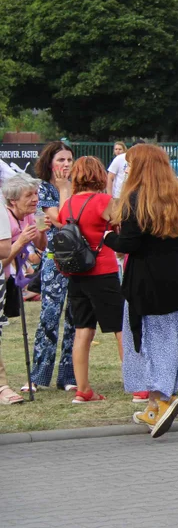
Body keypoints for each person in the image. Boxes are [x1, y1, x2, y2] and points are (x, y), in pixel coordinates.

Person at [103, 144, 178, 439]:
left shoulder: (135, 199)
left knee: (150, 340)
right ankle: (155, 405)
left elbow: (129, 244)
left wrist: (108, 236)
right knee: (175, 340)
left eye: (132, 165)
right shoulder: (175, 198)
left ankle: (162, 399)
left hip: (149, 282)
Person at [59, 157, 125, 404]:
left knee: (82, 330)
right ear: (99, 175)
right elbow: (120, 224)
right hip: (103, 271)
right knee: (120, 329)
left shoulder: (68, 206)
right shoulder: (104, 201)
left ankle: (83, 389)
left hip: (77, 273)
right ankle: (137, 385)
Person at [26, 141, 76, 393]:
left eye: (69, 159)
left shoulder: (79, 187)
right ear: (50, 163)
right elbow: (63, 221)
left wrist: (68, 188)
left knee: (74, 319)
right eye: (61, 160)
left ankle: (68, 376)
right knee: (49, 316)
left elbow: (65, 221)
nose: (66, 164)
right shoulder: (44, 189)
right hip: (54, 259)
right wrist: (64, 190)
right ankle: (38, 375)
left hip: (78, 260)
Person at [0, 173, 46, 405]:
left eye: (36, 194)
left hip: (10, 282)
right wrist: (19, 244)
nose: (35, 199)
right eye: (29, 195)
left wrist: (41, 232)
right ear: (12, 201)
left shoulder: (28, 218)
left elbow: (38, 253)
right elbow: (2, 261)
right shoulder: (4, 220)